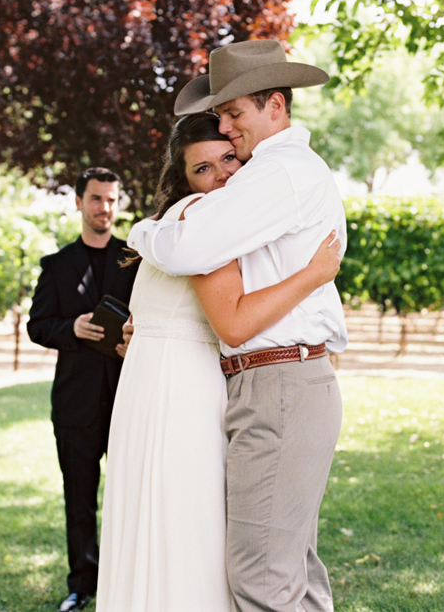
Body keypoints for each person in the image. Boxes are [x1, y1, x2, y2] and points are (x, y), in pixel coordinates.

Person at [127, 40, 348, 612]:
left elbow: (191, 248)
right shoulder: (276, 171)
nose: (226, 131)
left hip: (278, 385)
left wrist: (142, 232)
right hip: (284, 380)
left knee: (261, 578)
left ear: (275, 104)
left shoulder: (278, 173)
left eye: (233, 114)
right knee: (291, 570)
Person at [27, 167, 138, 612]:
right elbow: (37, 325)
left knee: (130, 495)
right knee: (79, 501)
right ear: (78, 202)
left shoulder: (135, 258)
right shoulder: (55, 266)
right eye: (96, 199)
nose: (105, 209)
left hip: (130, 398)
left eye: (112, 200)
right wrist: (70, 328)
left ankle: (125, 579)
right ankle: (81, 585)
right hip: (74, 405)